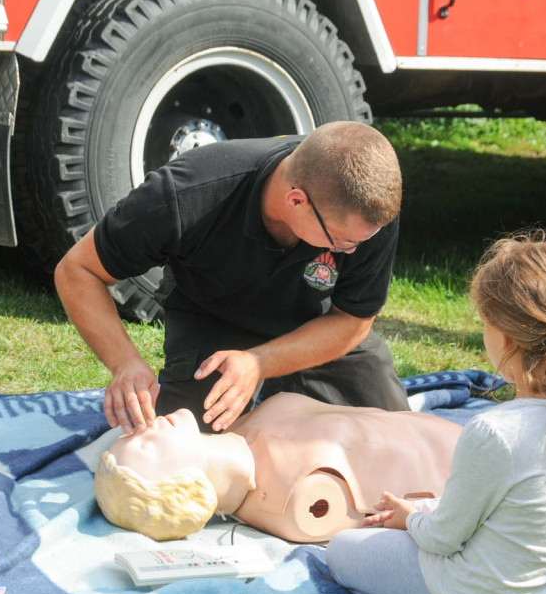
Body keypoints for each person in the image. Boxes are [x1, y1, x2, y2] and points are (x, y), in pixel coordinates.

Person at [324, 232, 546, 594]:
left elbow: (443, 540)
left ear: (503, 336)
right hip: (540, 586)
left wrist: (410, 520)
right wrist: (422, 510)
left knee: (343, 549)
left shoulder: (496, 432)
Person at [55, 121, 409, 435]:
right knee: (189, 448)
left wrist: (260, 363)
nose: (351, 250)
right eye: (341, 242)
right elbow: (78, 270)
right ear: (296, 201)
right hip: (215, 319)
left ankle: (286, 394)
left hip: (315, 328)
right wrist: (125, 364)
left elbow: (352, 321)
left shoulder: (364, 214)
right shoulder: (187, 192)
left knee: (395, 439)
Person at [93, 392, 464, 543]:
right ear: (177, 483)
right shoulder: (299, 501)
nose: (142, 428)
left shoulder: (240, 429)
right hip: (468, 465)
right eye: (142, 446)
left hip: (462, 440)